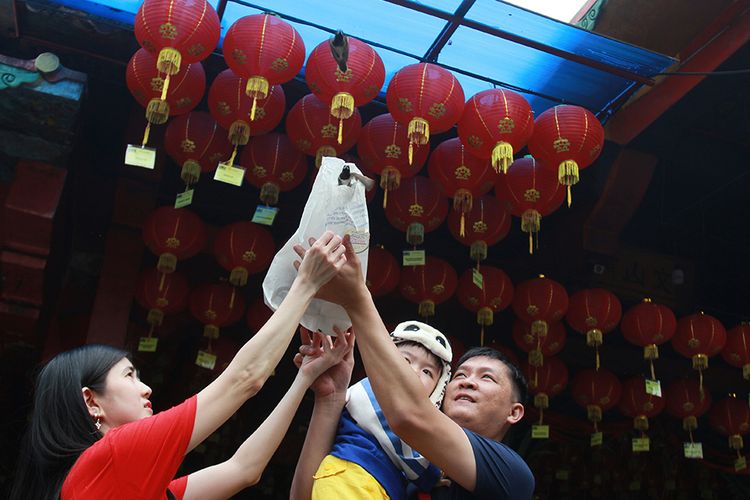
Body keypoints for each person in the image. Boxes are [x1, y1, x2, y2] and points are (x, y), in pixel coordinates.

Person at [11, 231, 349, 500]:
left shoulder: (125, 479)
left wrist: (303, 380)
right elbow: (244, 379)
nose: (146, 388)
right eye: (129, 376)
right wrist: (305, 285)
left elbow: (245, 469)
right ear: (90, 400)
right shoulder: (112, 455)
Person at [291, 235, 535, 500]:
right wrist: (330, 398)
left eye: (487, 378)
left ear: (515, 412)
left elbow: (409, 417)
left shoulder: (513, 475)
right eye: (461, 375)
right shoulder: (408, 475)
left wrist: (357, 300)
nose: (467, 381)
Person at [310, 321, 452, 500]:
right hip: (350, 476)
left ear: (438, 389)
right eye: (405, 360)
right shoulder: (371, 390)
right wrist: (431, 474)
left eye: (427, 372)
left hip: (376, 486)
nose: (414, 372)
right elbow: (401, 441)